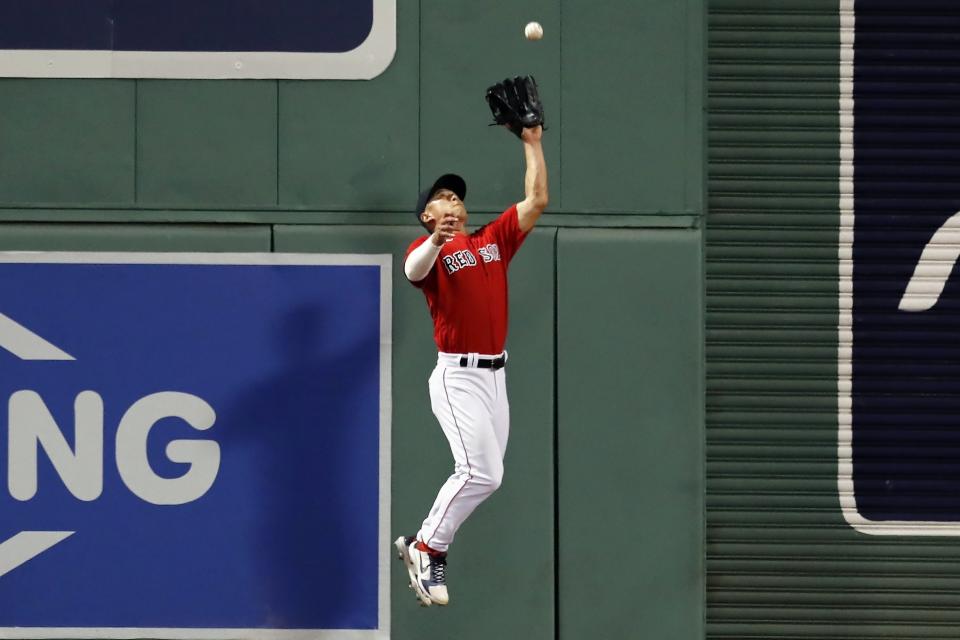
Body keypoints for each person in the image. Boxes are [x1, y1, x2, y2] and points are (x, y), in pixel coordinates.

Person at [394, 125, 547, 607]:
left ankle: (429, 545)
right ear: (427, 215)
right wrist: (435, 242)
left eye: (457, 198)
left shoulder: (491, 240)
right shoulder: (430, 252)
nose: (453, 204)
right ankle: (426, 545)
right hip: (456, 375)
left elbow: (537, 198)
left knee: (488, 474)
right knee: (482, 472)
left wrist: (531, 141)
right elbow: (411, 271)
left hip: (495, 378)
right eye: (442, 198)